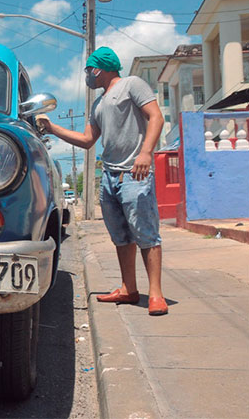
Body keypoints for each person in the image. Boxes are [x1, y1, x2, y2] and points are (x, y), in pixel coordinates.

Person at [37, 46, 168, 316]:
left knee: (146, 233)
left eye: (90, 70)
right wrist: (52, 128)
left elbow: (156, 116)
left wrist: (146, 152)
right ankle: (128, 288)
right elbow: (87, 141)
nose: (88, 76)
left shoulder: (133, 84)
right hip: (109, 176)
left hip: (135, 172)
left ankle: (156, 294)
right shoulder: (97, 104)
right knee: (120, 235)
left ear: (101, 67)